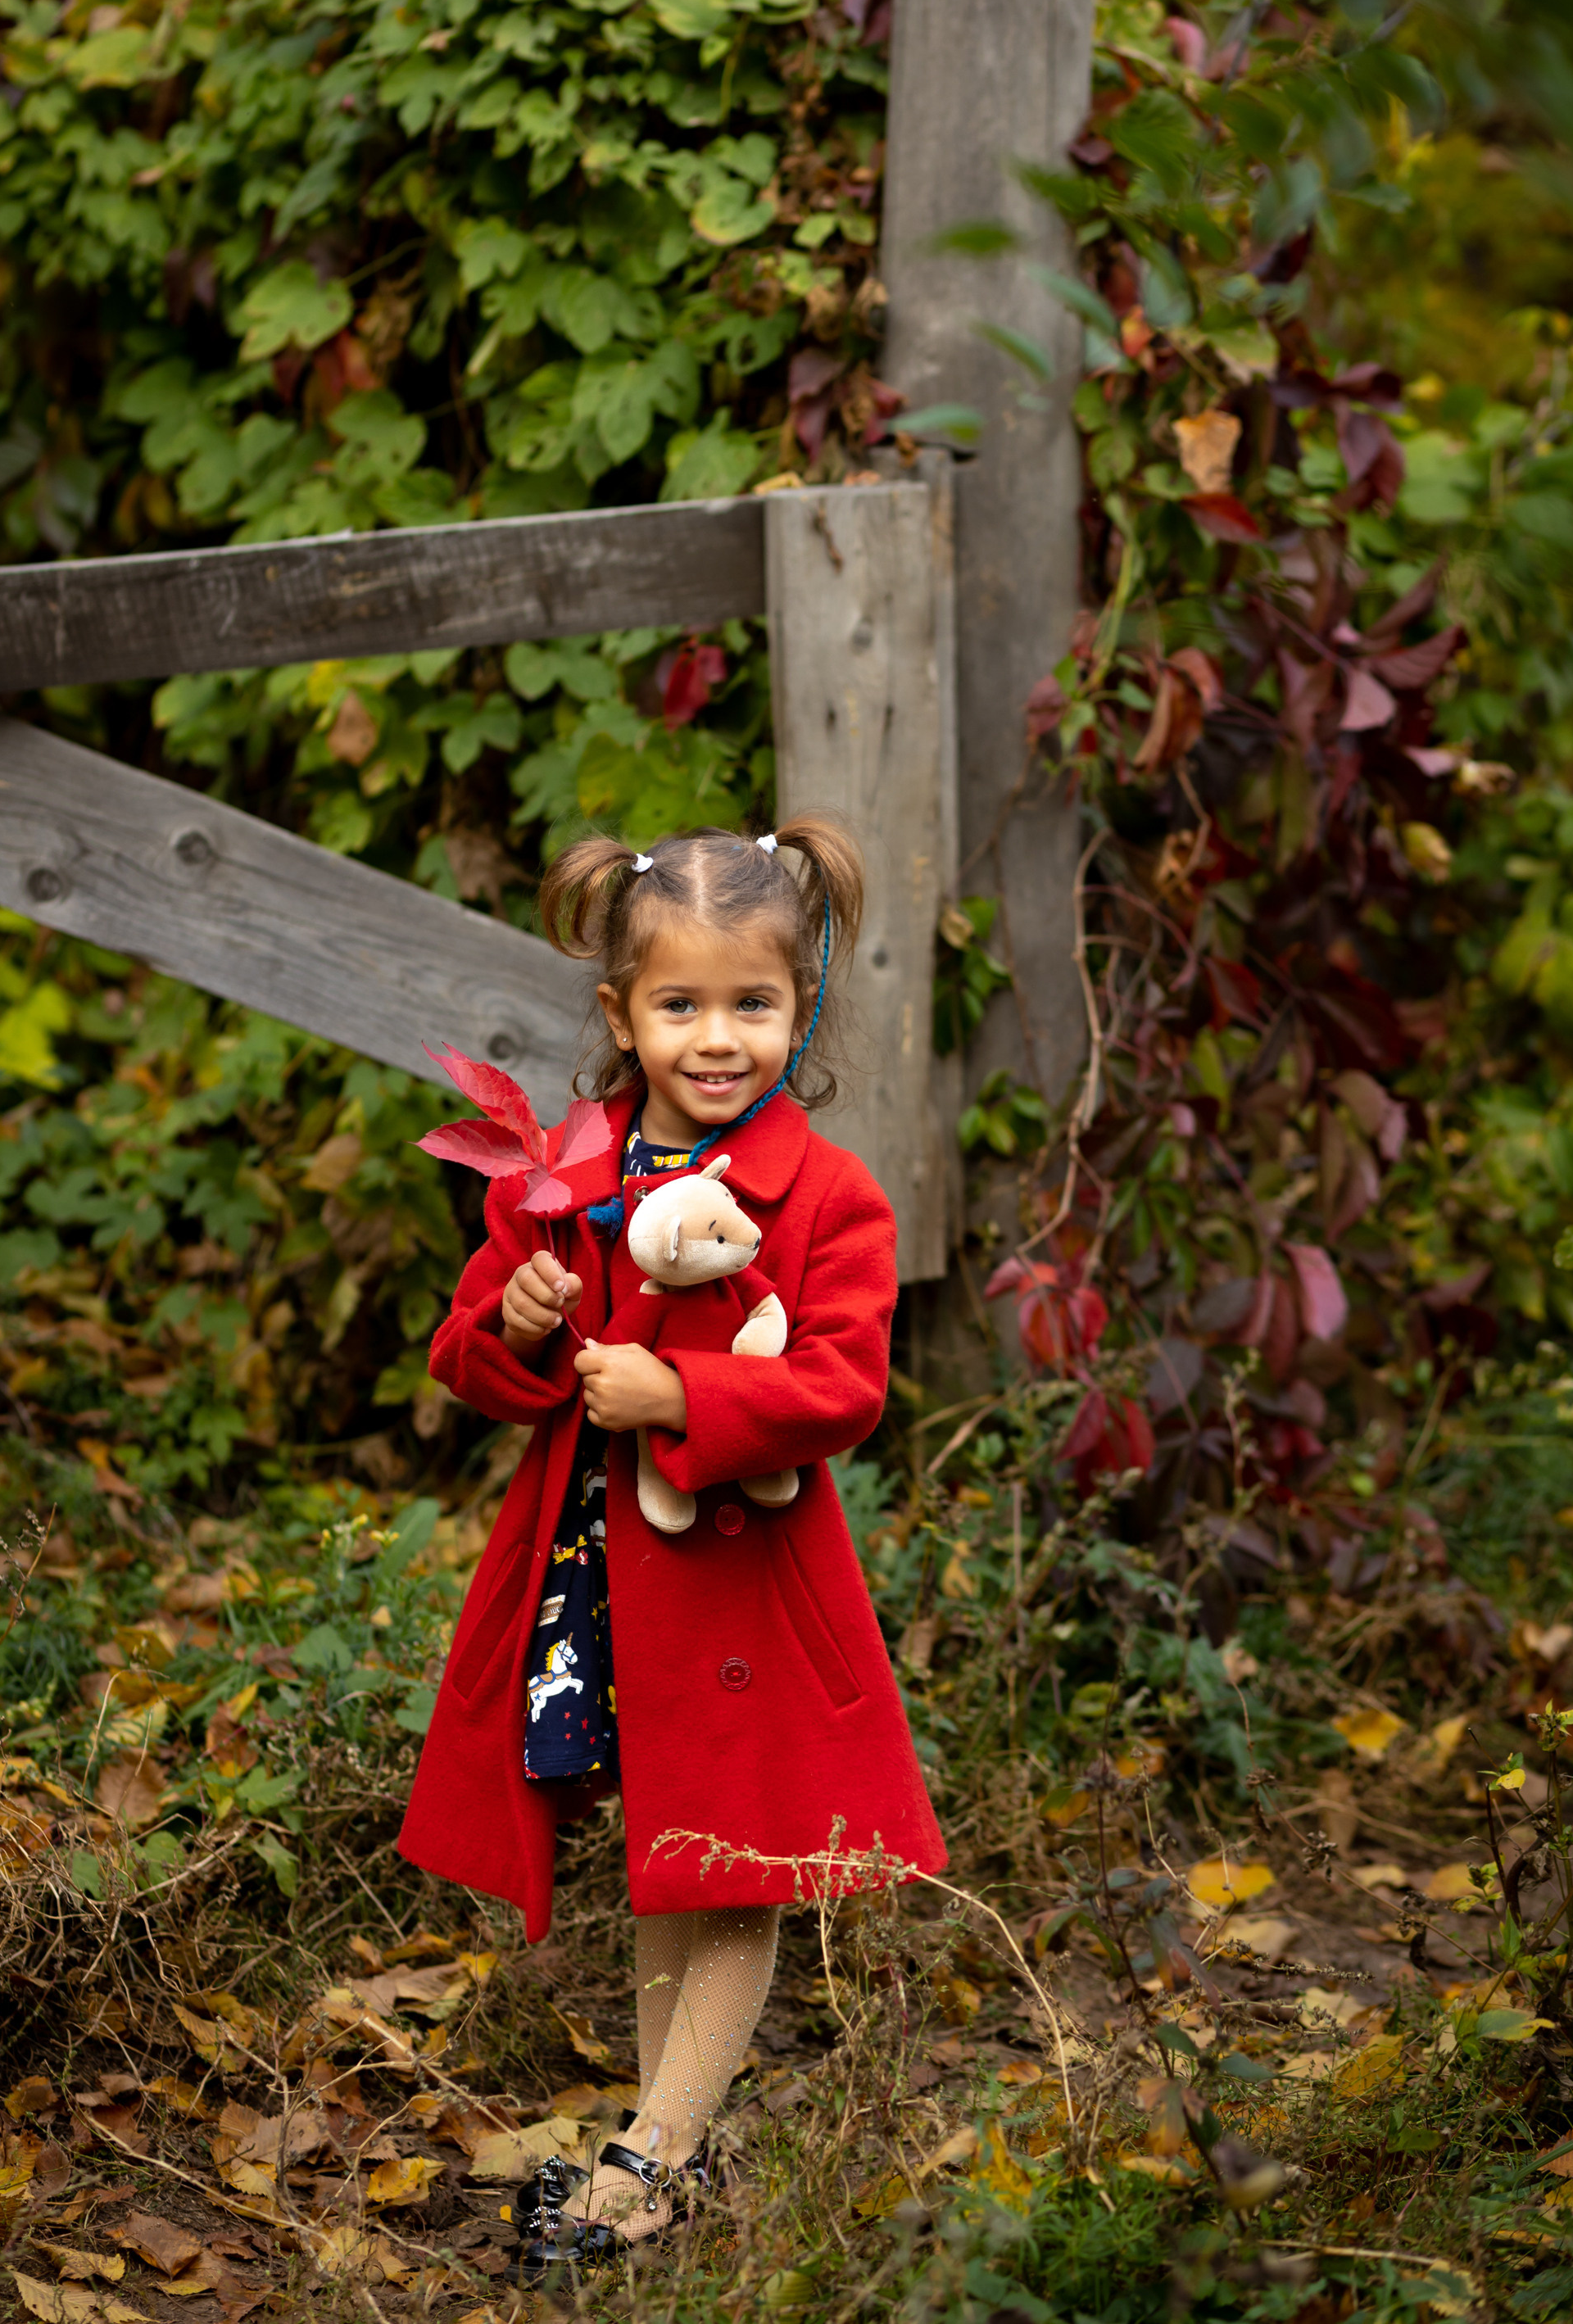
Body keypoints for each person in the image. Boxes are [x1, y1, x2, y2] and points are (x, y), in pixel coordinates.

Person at [397, 818, 947, 2276]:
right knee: (671, 1846)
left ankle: (650, 2158)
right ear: (621, 1012)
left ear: (802, 1005)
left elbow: (845, 1385)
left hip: (740, 1585)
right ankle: (662, 2147)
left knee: (734, 1859)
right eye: (681, 1004)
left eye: (752, 1002)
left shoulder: (827, 1195)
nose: (718, 1038)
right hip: (598, 1578)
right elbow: (469, 1356)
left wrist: (685, 1397)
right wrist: (517, 1323)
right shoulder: (567, 1177)